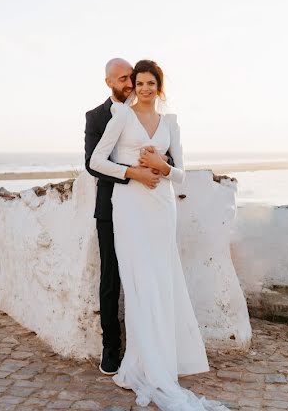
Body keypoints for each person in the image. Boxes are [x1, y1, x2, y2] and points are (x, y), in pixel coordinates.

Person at [89, 59, 227, 410]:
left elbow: (180, 173)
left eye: (152, 83)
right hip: (131, 207)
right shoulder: (121, 116)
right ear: (132, 85)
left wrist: (162, 167)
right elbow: (96, 161)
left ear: (159, 86)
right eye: (140, 82)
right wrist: (135, 171)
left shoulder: (170, 123)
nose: (146, 88)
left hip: (162, 208)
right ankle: (141, 361)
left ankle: (163, 360)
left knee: (162, 280)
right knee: (140, 282)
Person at [84, 58, 163, 375]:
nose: (130, 84)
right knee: (111, 277)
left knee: (148, 274)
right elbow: (92, 163)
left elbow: (162, 148)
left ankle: (148, 348)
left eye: (132, 77)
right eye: (123, 79)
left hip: (145, 206)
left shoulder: (144, 111)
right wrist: (132, 174)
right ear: (108, 82)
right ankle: (110, 349)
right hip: (110, 206)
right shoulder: (96, 116)